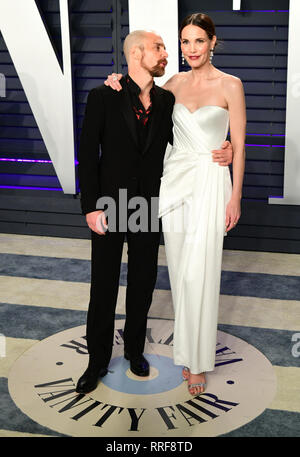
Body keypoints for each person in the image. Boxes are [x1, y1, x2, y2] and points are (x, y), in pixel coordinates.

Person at [77, 28, 233, 395]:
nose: (167, 53)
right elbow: (87, 154)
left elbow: (187, 142)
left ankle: (134, 350)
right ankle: (96, 360)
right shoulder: (103, 95)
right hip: (111, 204)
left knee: (143, 282)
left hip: (151, 201)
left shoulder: (166, 100)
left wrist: (224, 149)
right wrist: (90, 207)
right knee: (103, 284)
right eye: (159, 48)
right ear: (136, 54)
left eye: (166, 47)